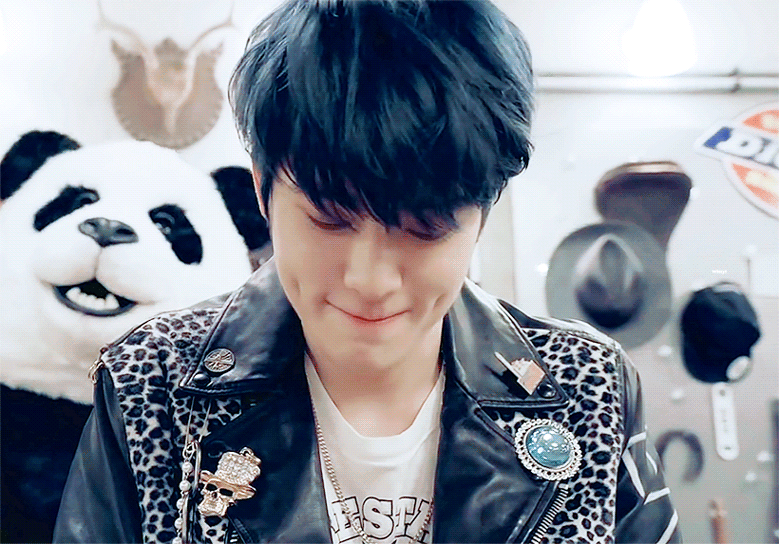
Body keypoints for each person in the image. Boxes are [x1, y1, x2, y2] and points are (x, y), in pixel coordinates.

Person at [54, 1, 680, 543]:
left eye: (426, 227)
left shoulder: (587, 388)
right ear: (263, 191)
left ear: (483, 214)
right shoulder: (153, 384)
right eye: (328, 219)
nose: (371, 280)